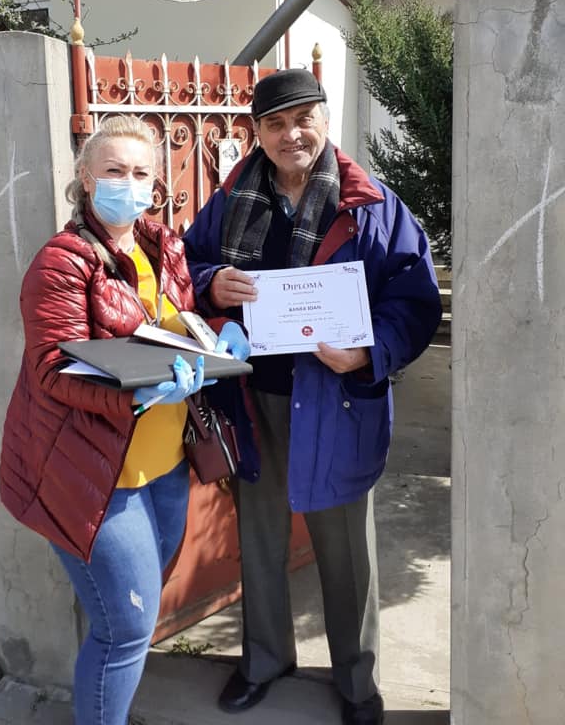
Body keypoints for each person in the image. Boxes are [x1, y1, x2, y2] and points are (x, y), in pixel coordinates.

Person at [183, 69, 442, 725]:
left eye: (303, 119)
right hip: (254, 397)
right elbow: (187, 264)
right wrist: (212, 284)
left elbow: (413, 300)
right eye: (275, 123)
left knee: (345, 544)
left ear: (325, 119)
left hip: (337, 400)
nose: (291, 134)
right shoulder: (232, 198)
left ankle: (357, 680)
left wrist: (368, 353)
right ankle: (265, 661)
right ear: (257, 133)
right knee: (260, 535)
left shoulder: (370, 204)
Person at [0, 115, 248, 725]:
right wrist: (137, 395)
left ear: (155, 183)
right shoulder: (62, 263)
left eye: (140, 173)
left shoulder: (165, 246)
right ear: (86, 179)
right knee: (126, 628)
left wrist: (218, 336)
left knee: (137, 605)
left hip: (164, 465)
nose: (129, 183)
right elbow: (53, 370)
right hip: (95, 472)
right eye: (114, 170)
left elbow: (177, 322)